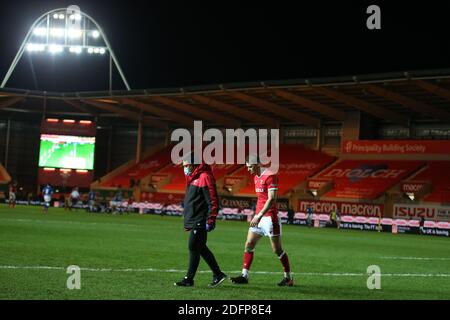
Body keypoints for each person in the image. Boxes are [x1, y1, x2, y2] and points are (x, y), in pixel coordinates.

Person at [231, 154, 293, 287]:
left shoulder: (270, 175)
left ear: (256, 164)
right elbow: (261, 198)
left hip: (270, 218)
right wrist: (257, 215)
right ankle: (244, 275)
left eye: (249, 167)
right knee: (249, 244)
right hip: (258, 217)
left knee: (277, 249)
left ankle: (288, 277)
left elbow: (271, 199)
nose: (248, 170)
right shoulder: (255, 177)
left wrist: (258, 216)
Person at [174, 153, 227, 288]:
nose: (184, 168)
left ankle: (189, 279)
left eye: (186, 165)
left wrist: (211, 219)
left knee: (193, 247)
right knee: (200, 248)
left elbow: (213, 200)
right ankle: (218, 274)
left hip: (200, 219)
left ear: (193, 164)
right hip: (195, 219)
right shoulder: (193, 178)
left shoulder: (205, 177)